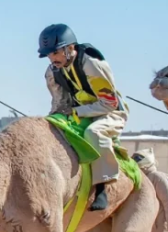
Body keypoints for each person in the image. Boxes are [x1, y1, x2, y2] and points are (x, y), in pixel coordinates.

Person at [39, 23, 127, 212]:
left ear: (70, 47)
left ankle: (102, 188)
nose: (52, 58)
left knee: (93, 132)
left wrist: (77, 112)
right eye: (49, 54)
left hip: (109, 113)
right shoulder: (52, 72)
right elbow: (58, 103)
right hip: (78, 112)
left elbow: (109, 103)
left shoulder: (92, 64)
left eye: (55, 53)